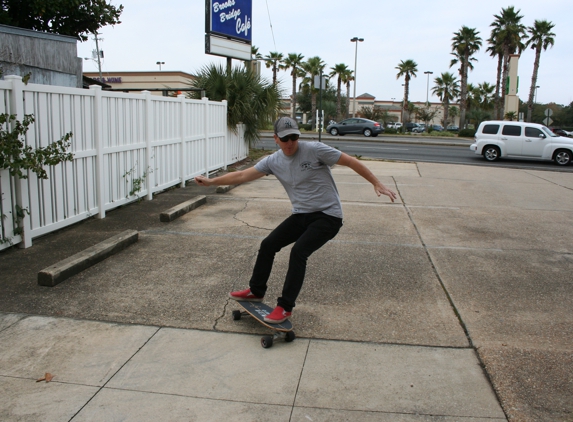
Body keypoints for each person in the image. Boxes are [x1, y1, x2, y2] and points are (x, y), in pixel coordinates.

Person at [194, 117, 397, 323]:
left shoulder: (315, 149)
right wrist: (211, 182)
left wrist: (376, 183)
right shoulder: (273, 161)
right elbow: (241, 176)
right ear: (276, 139)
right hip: (301, 215)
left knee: (299, 252)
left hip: (328, 216)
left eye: (294, 137)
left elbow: (351, 161)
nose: (290, 143)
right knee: (268, 245)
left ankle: (285, 307)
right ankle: (256, 291)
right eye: (285, 139)